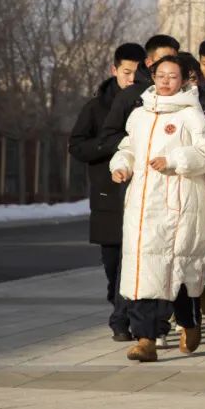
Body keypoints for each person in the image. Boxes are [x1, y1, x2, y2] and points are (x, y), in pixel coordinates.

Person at [109, 55, 205, 363]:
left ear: (183, 80)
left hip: (178, 202)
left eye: (173, 76)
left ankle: (189, 320)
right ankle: (146, 340)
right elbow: (128, 148)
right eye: (161, 75)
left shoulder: (192, 115)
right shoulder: (139, 115)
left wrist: (173, 161)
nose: (166, 81)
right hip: (142, 203)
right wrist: (121, 166)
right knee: (144, 271)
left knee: (175, 270)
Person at [68, 42, 145, 341]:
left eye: (137, 74)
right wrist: (111, 145)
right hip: (108, 194)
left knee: (135, 260)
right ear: (114, 70)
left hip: (141, 192)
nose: (131, 79)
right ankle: (118, 305)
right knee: (113, 263)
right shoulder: (96, 107)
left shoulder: (149, 104)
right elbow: (76, 145)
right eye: (126, 72)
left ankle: (124, 319)